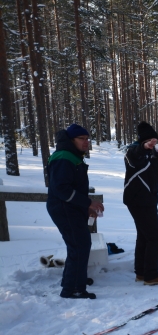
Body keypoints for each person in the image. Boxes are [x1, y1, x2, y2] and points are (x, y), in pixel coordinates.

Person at [46, 124, 104, 299]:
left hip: (71, 207)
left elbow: (74, 188)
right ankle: (72, 289)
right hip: (63, 208)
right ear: (71, 140)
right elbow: (61, 189)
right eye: (81, 139)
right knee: (79, 246)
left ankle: (75, 279)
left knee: (80, 244)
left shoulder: (72, 156)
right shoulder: (64, 157)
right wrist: (88, 203)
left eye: (87, 139)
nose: (86, 142)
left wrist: (85, 207)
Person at [124, 122, 158, 285]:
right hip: (138, 200)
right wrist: (144, 147)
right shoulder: (133, 152)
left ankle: (142, 272)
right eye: (149, 140)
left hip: (147, 200)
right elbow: (137, 158)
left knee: (144, 236)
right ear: (142, 141)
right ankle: (151, 274)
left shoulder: (151, 153)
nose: (153, 142)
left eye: (155, 139)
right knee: (155, 237)